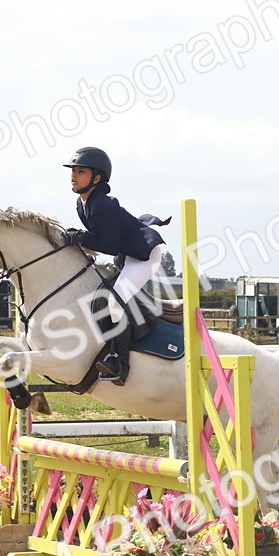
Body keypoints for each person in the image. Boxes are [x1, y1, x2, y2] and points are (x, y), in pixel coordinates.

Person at [61, 146, 168, 385]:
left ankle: (120, 363)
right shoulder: (82, 204)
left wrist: (81, 237)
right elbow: (98, 238)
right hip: (126, 255)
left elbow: (107, 245)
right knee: (100, 296)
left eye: (80, 171)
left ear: (96, 178)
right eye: (73, 171)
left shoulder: (102, 205)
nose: (73, 176)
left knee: (114, 300)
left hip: (143, 256)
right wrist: (79, 235)